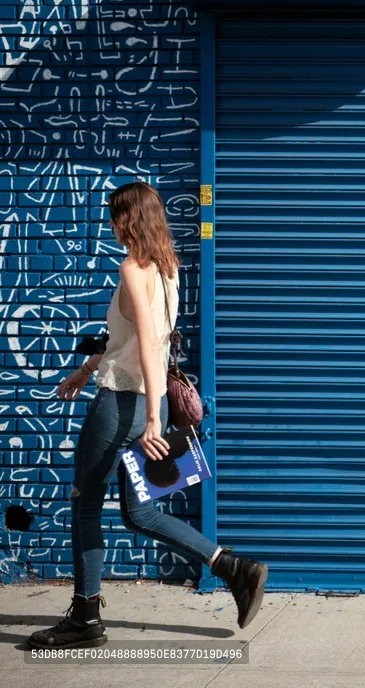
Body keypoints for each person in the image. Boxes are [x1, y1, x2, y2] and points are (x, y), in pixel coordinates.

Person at [27, 181, 268, 650]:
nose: (112, 225)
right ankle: (232, 568)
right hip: (138, 403)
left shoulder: (133, 270)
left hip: (122, 404)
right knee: (139, 513)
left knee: (85, 505)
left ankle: (85, 618)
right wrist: (86, 367)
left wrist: (156, 420)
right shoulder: (168, 270)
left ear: (131, 219)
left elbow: (152, 353)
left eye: (117, 216)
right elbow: (137, 342)